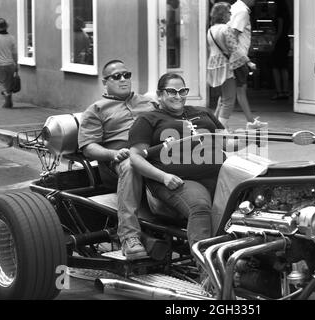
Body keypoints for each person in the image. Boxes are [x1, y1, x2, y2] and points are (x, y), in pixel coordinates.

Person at [129, 73, 247, 253]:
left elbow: (227, 143)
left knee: (252, 198)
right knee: (199, 206)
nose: (178, 96)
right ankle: (207, 272)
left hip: (219, 174)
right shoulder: (148, 119)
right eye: (171, 91)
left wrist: (252, 136)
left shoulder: (203, 112)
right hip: (178, 180)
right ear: (159, 95)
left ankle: (245, 258)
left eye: (182, 91)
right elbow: (136, 157)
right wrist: (164, 177)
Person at [78, 60, 156, 260]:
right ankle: (129, 237)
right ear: (105, 82)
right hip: (118, 161)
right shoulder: (96, 109)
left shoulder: (148, 102)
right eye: (116, 76)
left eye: (126, 74)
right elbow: (88, 147)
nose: (123, 79)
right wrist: (113, 154)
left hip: (154, 152)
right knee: (131, 165)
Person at [207, 2, 250, 130]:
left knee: (224, 98)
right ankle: (220, 129)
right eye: (228, 13)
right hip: (226, 68)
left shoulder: (211, 30)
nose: (231, 15)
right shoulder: (226, 29)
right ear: (223, 14)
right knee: (229, 100)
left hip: (215, 67)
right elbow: (234, 49)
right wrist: (248, 62)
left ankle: (217, 126)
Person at [228, 0, 268, 130]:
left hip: (233, 57)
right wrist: (246, 60)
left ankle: (250, 121)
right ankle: (249, 122)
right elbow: (233, 36)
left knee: (228, 93)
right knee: (236, 92)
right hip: (238, 58)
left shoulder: (234, 8)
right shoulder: (242, 12)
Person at [0, 18, 18, 109]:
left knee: (2, 83)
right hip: (11, 64)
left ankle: (8, 102)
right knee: (9, 83)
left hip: (1, 65)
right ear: (6, 26)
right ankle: (8, 100)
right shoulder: (11, 38)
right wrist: (16, 64)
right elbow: (14, 53)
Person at [270, 0, 291, 100]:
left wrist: (273, 43)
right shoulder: (287, 16)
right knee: (284, 67)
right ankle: (285, 91)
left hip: (280, 43)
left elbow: (279, 32)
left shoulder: (279, 17)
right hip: (285, 41)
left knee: (275, 67)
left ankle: (279, 91)